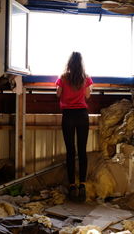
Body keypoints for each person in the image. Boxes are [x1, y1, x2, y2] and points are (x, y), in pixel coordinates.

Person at [55, 51, 93, 202]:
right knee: (82, 151)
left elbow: (58, 94)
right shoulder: (86, 78)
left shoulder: (63, 77)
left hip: (68, 115)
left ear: (69, 63)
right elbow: (88, 96)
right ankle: (82, 185)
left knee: (71, 151)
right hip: (82, 115)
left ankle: (72, 186)